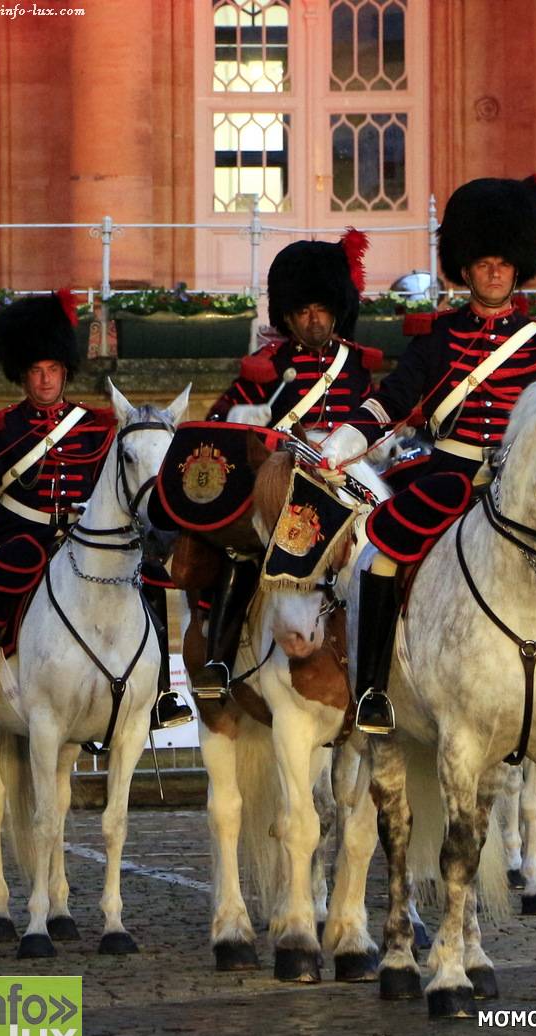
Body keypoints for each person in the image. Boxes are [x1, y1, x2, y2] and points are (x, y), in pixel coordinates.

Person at [319, 173, 536, 739]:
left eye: (503, 261)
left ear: (518, 267)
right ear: (465, 269)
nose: (494, 271)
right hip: (449, 474)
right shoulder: (436, 339)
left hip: (528, 483)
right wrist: (347, 440)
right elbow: (393, 401)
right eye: (482, 263)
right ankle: (375, 689)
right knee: (383, 550)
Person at [0, 291, 191, 739]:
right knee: (0, 571)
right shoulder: (6, 426)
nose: (45, 380)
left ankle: (161, 694)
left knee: (150, 575)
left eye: (52, 370)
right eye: (36, 371)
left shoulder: (92, 426)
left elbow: (112, 483)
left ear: (64, 371)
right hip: (23, 534)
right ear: (23, 375)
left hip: (85, 535)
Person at [187, 231, 379, 706]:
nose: (313, 320)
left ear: (336, 310)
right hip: (287, 490)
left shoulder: (357, 367)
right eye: (302, 311)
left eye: (321, 309)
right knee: (245, 554)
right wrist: (246, 423)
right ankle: (220, 657)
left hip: (351, 487)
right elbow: (221, 423)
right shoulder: (267, 368)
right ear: (288, 316)